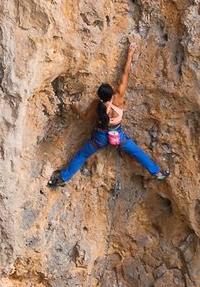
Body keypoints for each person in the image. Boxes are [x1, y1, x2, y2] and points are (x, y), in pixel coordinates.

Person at [48, 39, 168, 186]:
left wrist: (75, 108)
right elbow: (125, 73)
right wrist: (130, 53)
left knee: (82, 155)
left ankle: (63, 179)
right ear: (112, 92)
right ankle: (157, 172)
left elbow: (85, 118)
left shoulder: (96, 104)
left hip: (100, 137)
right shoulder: (118, 98)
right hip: (118, 135)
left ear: (99, 96)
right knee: (137, 152)